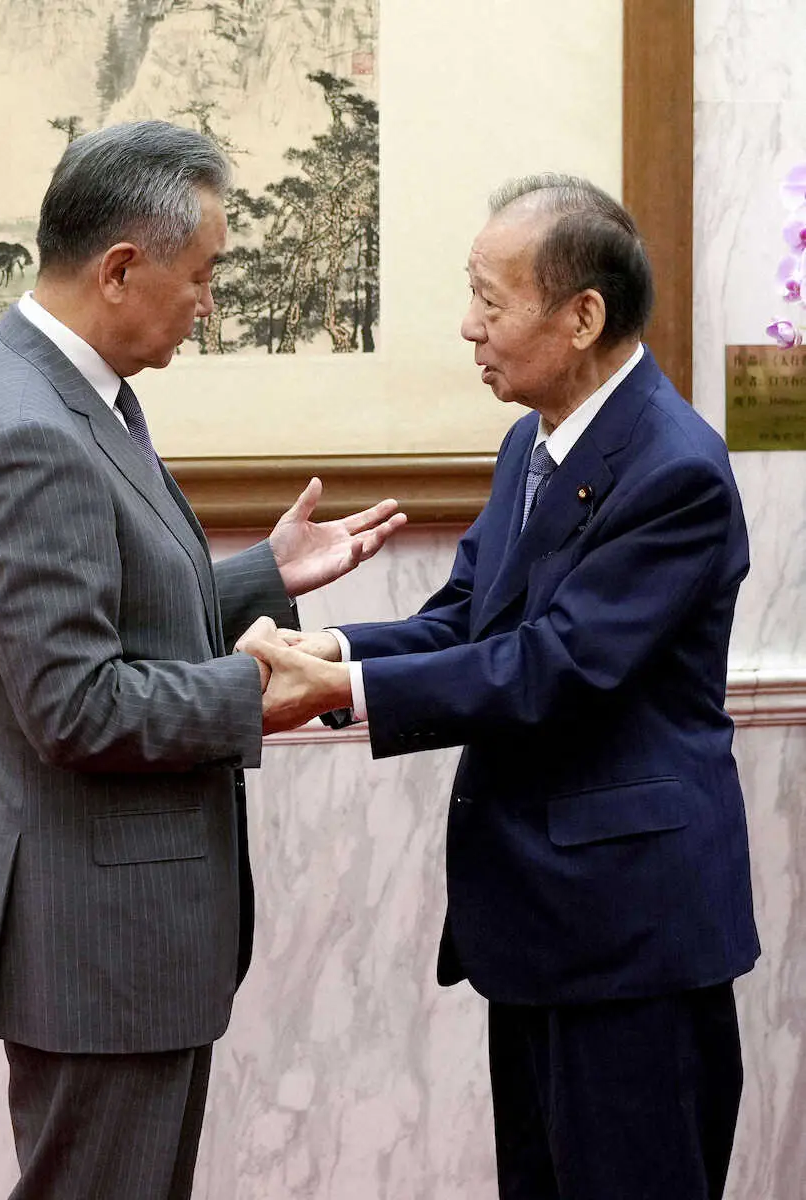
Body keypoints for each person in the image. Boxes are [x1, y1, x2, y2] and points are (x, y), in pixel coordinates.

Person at [0, 120, 405, 1200]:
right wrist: (256, 693)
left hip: (104, 936)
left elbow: (92, 613)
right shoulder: (30, 429)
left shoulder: (52, 386)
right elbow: (77, 704)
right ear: (122, 268)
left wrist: (257, 578)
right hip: (97, 944)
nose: (210, 304)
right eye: (203, 276)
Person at [240, 174, 760, 1200]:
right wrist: (329, 657)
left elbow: (554, 664)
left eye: (488, 298)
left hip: (629, 935)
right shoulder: (535, 442)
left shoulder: (675, 470)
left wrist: (339, 690)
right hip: (539, 924)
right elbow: (465, 620)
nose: (466, 326)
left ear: (581, 317)